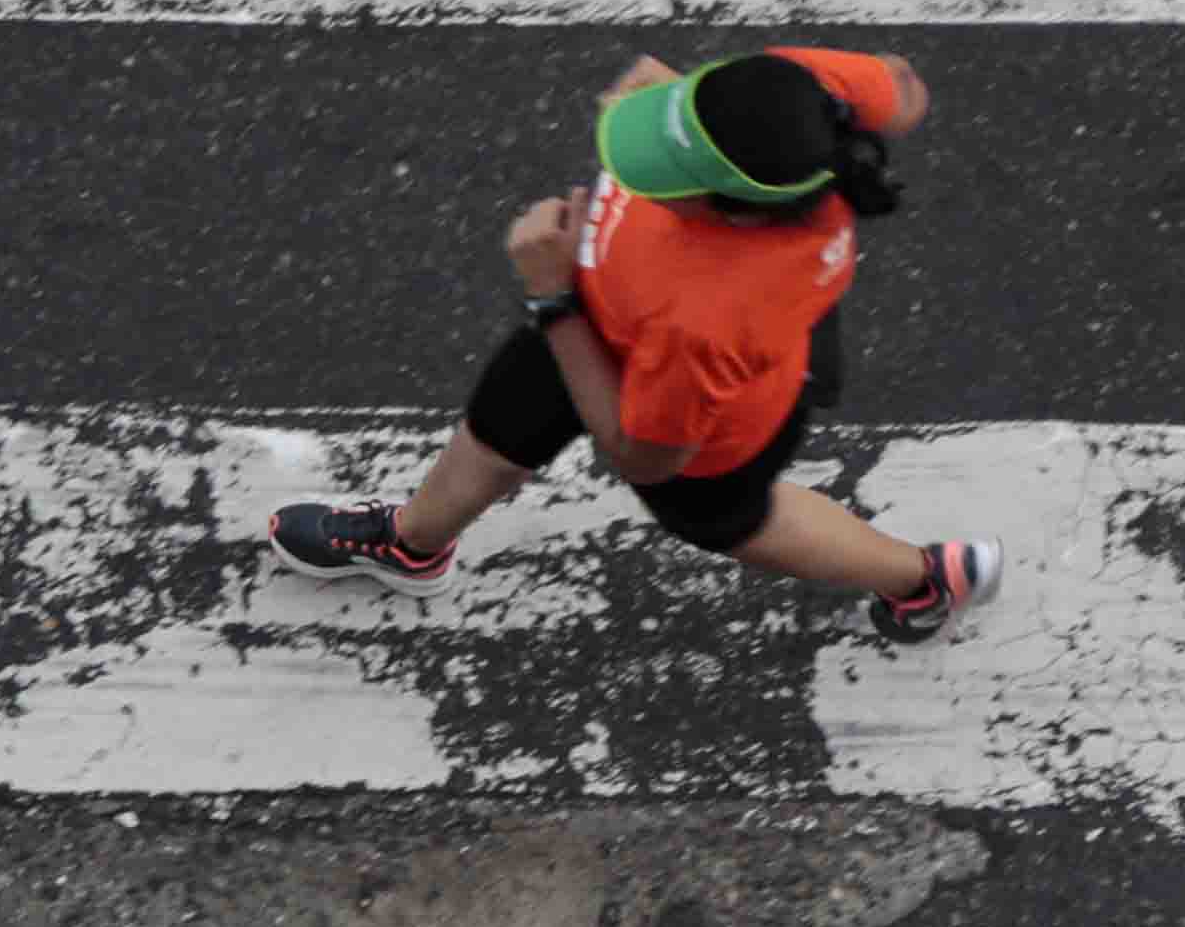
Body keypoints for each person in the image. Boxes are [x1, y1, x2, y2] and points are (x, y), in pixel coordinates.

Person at [267, 46, 1000, 637]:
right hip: (604, 312)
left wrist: (551, 298)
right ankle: (410, 545)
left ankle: (920, 579)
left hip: (696, 411)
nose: (636, 159)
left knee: (723, 517)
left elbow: (641, 455)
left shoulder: (707, 319)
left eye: (667, 166)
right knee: (502, 418)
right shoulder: (801, 96)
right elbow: (897, 84)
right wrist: (677, 106)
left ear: (728, 209)